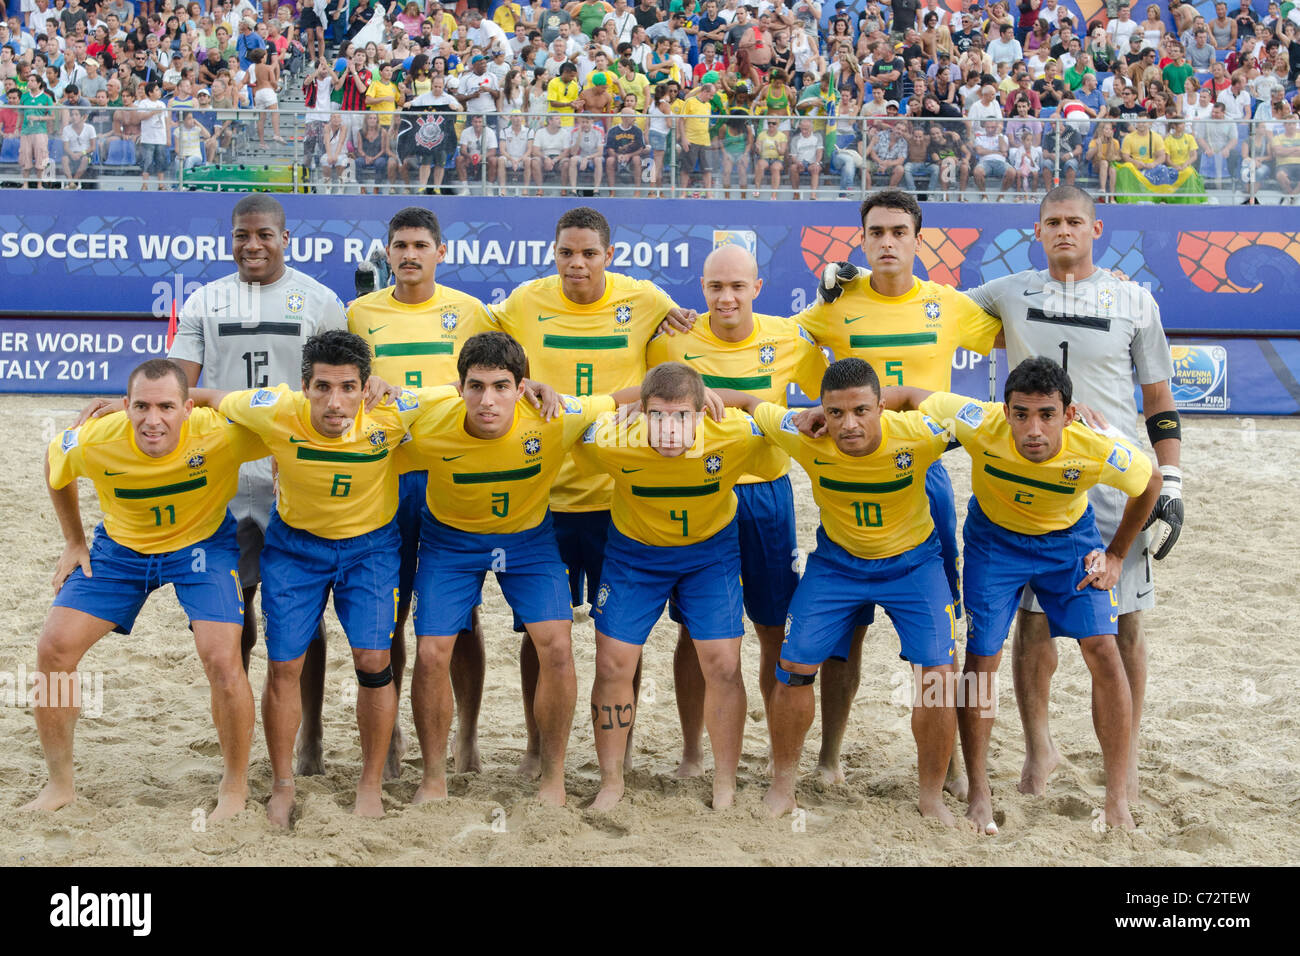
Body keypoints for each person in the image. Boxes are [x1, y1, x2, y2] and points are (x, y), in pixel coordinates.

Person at [885, 356, 1162, 831]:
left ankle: (1117, 800)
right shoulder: (978, 421)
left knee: (1103, 650)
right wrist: (845, 413)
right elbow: (909, 394)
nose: (1033, 429)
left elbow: (1150, 482)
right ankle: (979, 791)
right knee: (982, 661)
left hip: (1069, 542)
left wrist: (1116, 555)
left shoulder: (1094, 446)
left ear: (1069, 414)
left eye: (1047, 415)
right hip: (996, 544)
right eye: (1021, 414)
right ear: (1004, 409)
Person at [801, 190, 1001, 791]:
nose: (887, 241)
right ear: (862, 239)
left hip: (924, 478)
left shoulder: (950, 305)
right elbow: (771, 338)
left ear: (919, 239)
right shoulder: (836, 307)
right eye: (876, 232)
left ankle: (960, 767)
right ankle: (830, 757)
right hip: (848, 475)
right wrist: (822, 291)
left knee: (945, 637)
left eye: (899, 232)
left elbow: (1020, 318)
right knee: (843, 633)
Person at [484, 207, 694, 778]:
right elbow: (489, 357)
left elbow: (665, 370)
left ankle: (618, 752)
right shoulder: (523, 302)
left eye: (588, 253)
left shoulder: (643, 299)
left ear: (609, 256)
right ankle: (535, 744)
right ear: (553, 253)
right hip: (544, 497)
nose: (576, 263)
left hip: (616, 497)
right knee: (538, 633)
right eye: (566, 253)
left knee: (621, 637)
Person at [195, 330, 437, 825]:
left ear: (366, 386)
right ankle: (283, 784)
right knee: (285, 665)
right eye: (323, 387)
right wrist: (124, 402)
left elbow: (464, 393)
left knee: (374, 659)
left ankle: (369, 784)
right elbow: (209, 396)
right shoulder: (275, 408)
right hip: (296, 548)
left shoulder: (394, 409)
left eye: (348, 387)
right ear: (303, 386)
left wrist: (536, 388)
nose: (335, 402)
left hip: (369, 548)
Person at [23, 359, 267, 819]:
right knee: (53, 649)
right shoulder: (96, 438)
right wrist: (74, 540)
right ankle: (59, 785)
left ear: (188, 408)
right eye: (141, 406)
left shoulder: (221, 432)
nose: (153, 420)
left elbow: (291, 430)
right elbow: (56, 465)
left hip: (200, 546)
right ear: (125, 406)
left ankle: (234, 787)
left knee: (221, 656)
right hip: (122, 550)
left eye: (166, 407)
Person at [400, 331, 634, 805]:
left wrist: (705, 394)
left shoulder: (553, 415)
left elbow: (627, 396)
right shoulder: (428, 421)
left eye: (501, 386)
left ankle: (553, 778)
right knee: (430, 653)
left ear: (522, 386)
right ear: (459, 387)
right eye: (476, 387)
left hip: (528, 540)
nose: (488, 401)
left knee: (557, 646)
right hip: (450, 540)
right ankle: (433, 778)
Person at [721, 357, 959, 821]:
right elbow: (748, 402)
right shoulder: (801, 432)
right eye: (835, 413)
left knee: (939, 677)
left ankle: (930, 796)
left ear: (882, 407)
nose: (848, 425)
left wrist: (1087, 417)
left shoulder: (921, 433)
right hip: (837, 565)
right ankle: (784, 786)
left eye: (861, 411)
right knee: (792, 665)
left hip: (913, 564)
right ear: (821, 412)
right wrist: (670, 403)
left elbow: (998, 422)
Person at [166, 196, 349, 778]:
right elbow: (180, 388)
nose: (252, 245)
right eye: (242, 235)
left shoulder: (320, 301)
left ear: (285, 237)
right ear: (231, 237)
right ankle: (240, 736)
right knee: (233, 613)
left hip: (298, 478)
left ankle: (311, 735)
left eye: (264, 234)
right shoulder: (203, 300)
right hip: (227, 479)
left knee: (300, 615)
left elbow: (340, 390)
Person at [646, 245, 828, 779]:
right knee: (695, 633)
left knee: (775, 628)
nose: (726, 298)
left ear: (757, 289)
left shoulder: (789, 337)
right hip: (698, 496)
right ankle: (691, 752)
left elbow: (835, 391)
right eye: (714, 287)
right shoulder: (672, 340)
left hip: (766, 495)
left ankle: (778, 757)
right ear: (701, 288)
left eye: (737, 287)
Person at [573, 362, 767, 810]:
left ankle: (724, 781)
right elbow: (571, 417)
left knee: (721, 663)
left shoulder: (734, 433)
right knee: (613, 663)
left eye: (682, 416)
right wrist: (621, 405)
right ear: (642, 412)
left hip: (709, 552)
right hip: (635, 554)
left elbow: (782, 423)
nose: (669, 429)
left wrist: (741, 399)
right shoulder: (611, 436)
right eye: (657, 415)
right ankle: (611, 781)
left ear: (702, 413)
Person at [347, 207, 494, 777]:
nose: (409, 254)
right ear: (387, 253)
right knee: (390, 613)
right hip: (384, 478)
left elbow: (491, 384)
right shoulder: (361, 313)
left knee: (460, 619)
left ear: (441, 252)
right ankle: (392, 733)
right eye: (400, 245)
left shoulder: (470, 311)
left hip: (448, 479)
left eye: (420, 245)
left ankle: (469, 735)